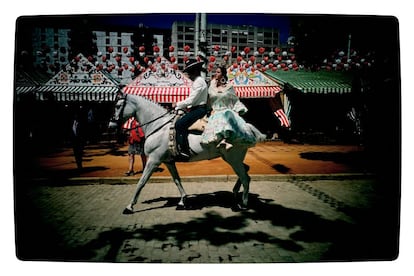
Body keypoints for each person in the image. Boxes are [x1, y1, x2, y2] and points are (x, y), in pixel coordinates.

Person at [201, 66, 263, 148]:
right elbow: (209, 99)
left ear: (223, 74)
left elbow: (235, 99)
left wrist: (239, 109)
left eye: (218, 72)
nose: (216, 74)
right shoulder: (211, 86)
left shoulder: (229, 87)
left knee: (226, 117)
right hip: (215, 111)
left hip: (226, 110)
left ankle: (226, 140)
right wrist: (208, 109)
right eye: (216, 72)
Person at [173, 59, 208, 159]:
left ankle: (185, 150)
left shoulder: (198, 82)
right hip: (196, 108)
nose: (189, 75)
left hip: (199, 109)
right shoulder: (198, 81)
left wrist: (177, 104)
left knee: (179, 124)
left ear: (195, 71)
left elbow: (191, 100)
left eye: (190, 72)